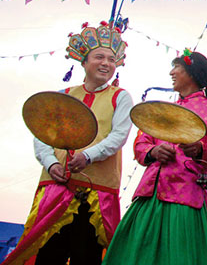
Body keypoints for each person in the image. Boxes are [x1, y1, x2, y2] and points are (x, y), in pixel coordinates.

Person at [4, 22, 133, 265]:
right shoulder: (63, 95)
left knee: (87, 256)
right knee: (48, 255)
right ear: (84, 62)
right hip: (56, 188)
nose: (106, 63)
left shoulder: (120, 97)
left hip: (94, 193)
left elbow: (119, 136)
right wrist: (51, 163)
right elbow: (43, 135)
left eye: (111, 59)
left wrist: (88, 156)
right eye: (99, 57)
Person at [103, 49, 207, 265]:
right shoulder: (163, 110)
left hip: (185, 196)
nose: (172, 72)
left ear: (192, 73)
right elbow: (141, 144)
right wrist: (153, 152)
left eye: (177, 67)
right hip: (149, 194)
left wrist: (199, 150)